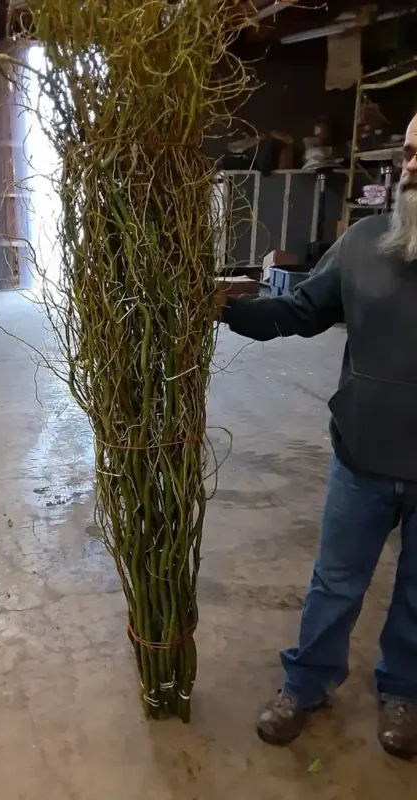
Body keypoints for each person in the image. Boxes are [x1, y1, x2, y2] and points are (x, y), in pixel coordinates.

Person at [218, 114, 417, 761]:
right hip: (362, 454)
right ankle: (306, 683)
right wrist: (225, 307)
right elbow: (300, 311)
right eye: (410, 153)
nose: (410, 166)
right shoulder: (363, 244)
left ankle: (405, 690)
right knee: (336, 581)